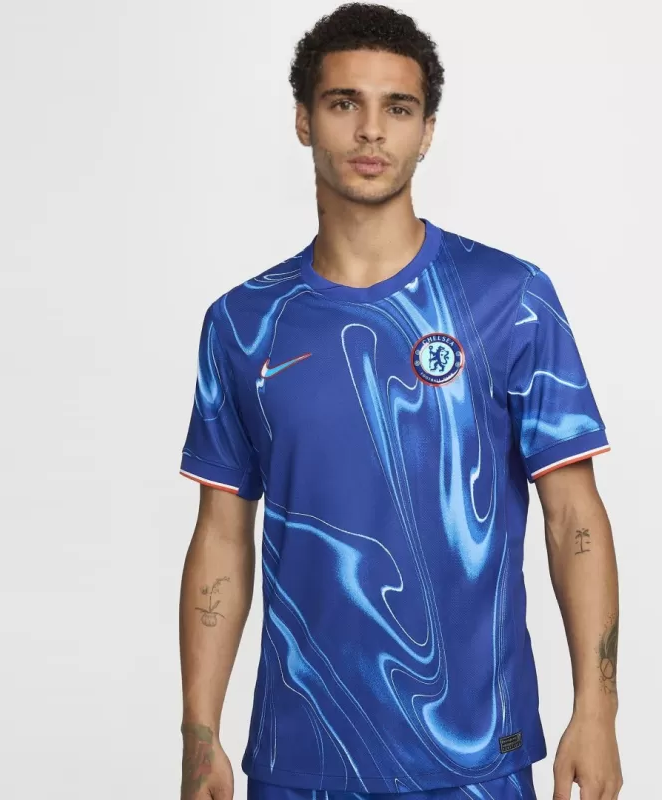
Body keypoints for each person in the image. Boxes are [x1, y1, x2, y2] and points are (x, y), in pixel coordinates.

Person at [177, 4, 622, 800]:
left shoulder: (509, 298)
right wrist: (200, 732)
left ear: (427, 131)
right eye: (344, 102)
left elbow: (573, 517)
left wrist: (597, 710)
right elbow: (220, 534)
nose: (371, 130)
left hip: (477, 756)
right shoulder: (244, 323)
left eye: (399, 108)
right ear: (304, 120)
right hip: (301, 758)